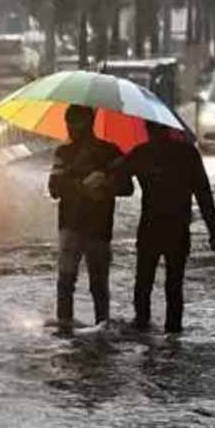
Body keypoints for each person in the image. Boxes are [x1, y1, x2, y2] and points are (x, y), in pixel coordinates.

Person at [119, 121, 215, 334]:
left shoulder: (144, 153)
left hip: (158, 228)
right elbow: (204, 194)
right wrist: (214, 234)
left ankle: (146, 328)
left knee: (150, 282)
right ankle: (169, 332)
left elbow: (120, 181)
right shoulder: (185, 154)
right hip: (171, 228)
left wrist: (214, 233)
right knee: (165, 284)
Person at [48, 104, 134, 335]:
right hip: (71, 226)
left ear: (89, 124)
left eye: (75, 124)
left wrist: (105, 184)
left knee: (98, 283)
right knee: (66, 282)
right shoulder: (64, 153)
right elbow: (54, 188)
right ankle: (65, 328)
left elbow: (127, 187)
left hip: (98, 227)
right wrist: (81, 185)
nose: (71, 129)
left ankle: (101, 327)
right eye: (68, 124)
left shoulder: (110, 152)